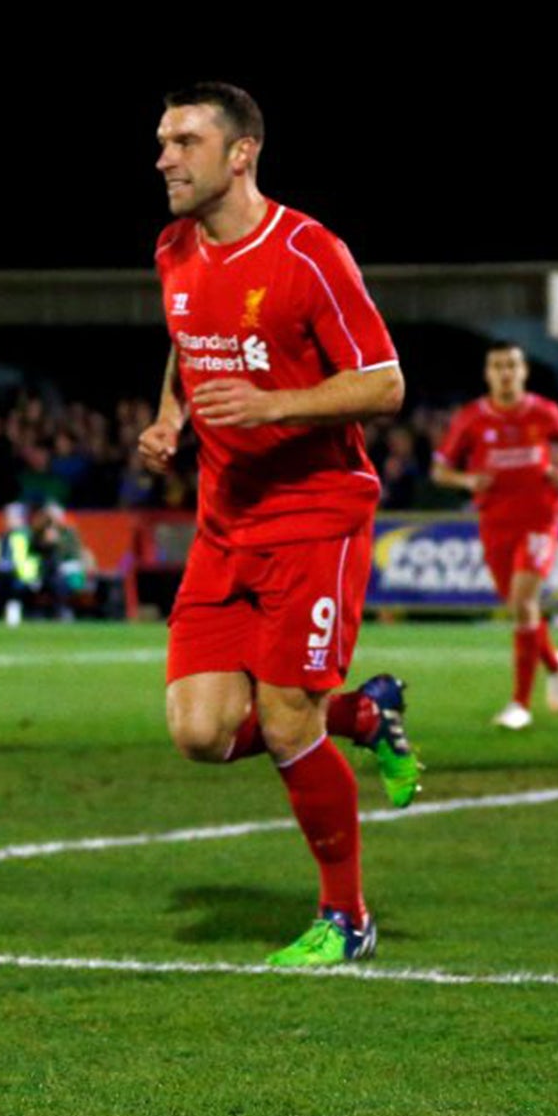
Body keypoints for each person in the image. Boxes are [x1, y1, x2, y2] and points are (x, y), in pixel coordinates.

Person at [138, 82, 423, 967]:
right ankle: (365, 714)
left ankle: (347, 918)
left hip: (315, 515)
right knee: (200, 731)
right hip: (224, 521)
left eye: (185, 140)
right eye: (161, 140)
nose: (164, 158)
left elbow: (383, 382)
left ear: (241, 154)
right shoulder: (173, 248)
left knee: (288, 721)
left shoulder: (308, 252)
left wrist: (274, 406)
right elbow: (187, 344)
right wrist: (172, 419)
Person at [431, 343, 558, 729]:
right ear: (488, 373)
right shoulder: (471, 419)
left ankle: (520, 704)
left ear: (523, 371)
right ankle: (554, 662)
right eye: (498, 366)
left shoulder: (543, 412)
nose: (506, 373)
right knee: (518, 606)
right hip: (495, 522)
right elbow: (440, 470)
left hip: (539, 519)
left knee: (524, 599)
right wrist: (466, 480)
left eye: (512, 365)